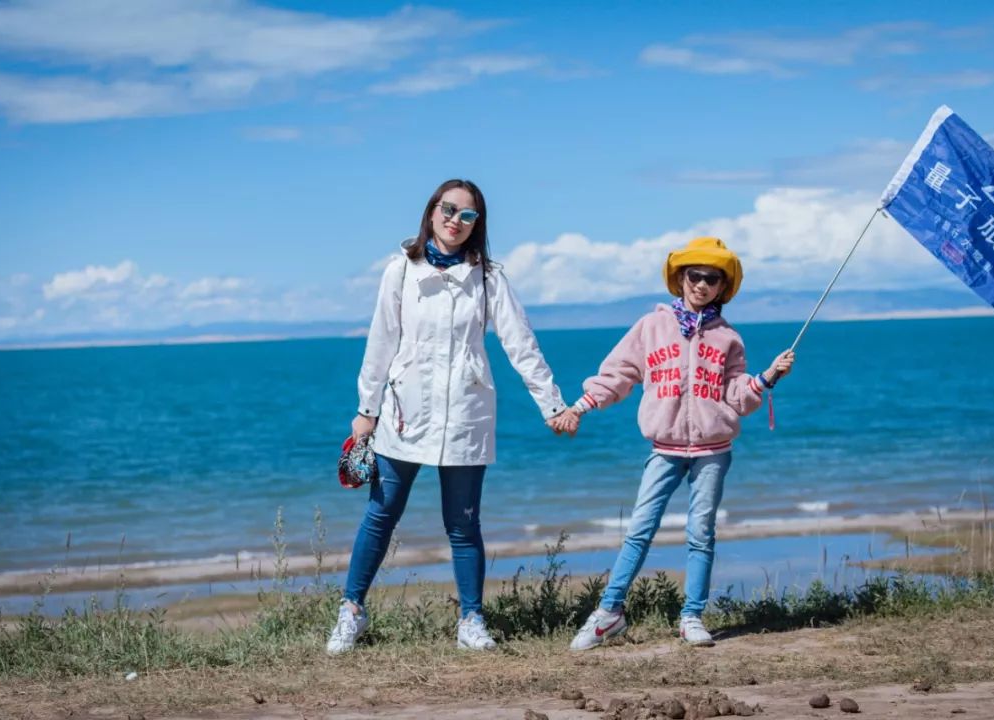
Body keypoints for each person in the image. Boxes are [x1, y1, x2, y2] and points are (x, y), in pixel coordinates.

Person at [326, 178, 574, 655]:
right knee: (381, 513)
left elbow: (521, 345)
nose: (455, 220)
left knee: (463, 523)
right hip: (404, 414)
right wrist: (365, 410)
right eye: (448, 209)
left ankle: (471, 620)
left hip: (466, 413)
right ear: (431, 210)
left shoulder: (489, 277)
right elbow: (380, 342)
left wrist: (553, 405)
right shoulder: (400, 269)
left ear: (477, 224)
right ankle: (351, 612)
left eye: (467, 215)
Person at [555, 236, 795, 650]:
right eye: (694, 275)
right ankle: (608, 614)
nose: (701, 284)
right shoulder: (651, 327)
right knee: (639, 530)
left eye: (712, 278)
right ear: (679, 278)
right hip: (663, 448)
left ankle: (692, 616)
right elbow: (617, 374)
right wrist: (579, 407)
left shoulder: (728, 339)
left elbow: (738, 395)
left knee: (701, 533)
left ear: (724, 286)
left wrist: (768, 377)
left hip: (713, 450)